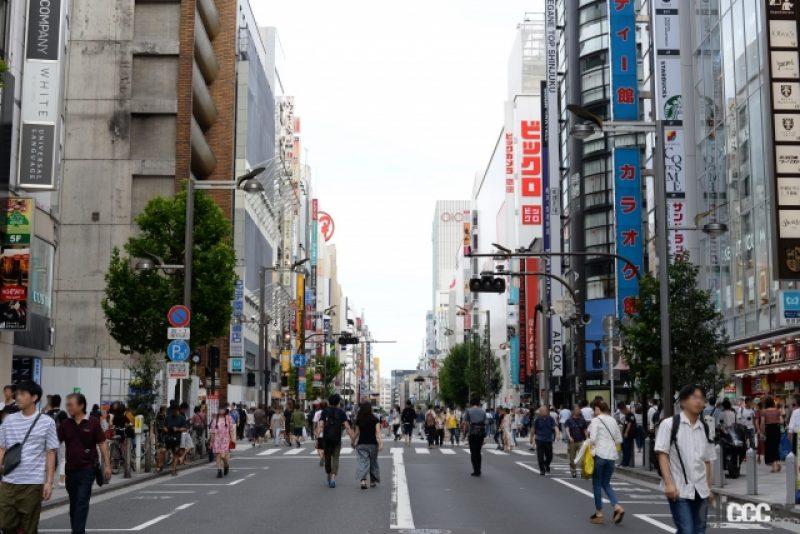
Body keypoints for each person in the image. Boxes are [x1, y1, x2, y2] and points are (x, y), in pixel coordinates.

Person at [0, 380, 59, 534]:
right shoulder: (8, 420)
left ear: (34, 397)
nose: (17, 397)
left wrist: (49, 482)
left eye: (22, 394)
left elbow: (50, 452)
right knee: (6, 525)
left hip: (32, 483)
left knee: (28, 528)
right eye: (17, 394)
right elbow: (2, 448)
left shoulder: (47, 422)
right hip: (8, 482)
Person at [656, 384, 716, 534]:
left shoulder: (705, 427)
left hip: (701, 490)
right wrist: (669, 484)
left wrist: (709, 488)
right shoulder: (669, 424)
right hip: (679, 489)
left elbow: (707, 461)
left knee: (699, 530)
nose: (699, 401)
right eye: (694, 397)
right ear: (682, 402)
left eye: (702, 398)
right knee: (687, 530)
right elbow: (662, 454)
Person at [58, 393, 112, 534]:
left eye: (71, 404)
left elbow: (102, 444)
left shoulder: (93, 422)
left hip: (87, 469)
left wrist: (107, 465)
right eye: (67, 404)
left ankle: (78, 532)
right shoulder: (65, 424)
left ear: (81, 405)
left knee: (82, 501)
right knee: (74, 503)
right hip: (71, 470)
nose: (68, 407)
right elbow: (54, 443)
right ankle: (76, 529)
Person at [586, 400, 625, 525]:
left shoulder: (596, 420)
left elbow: (592, 439)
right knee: (606, 483)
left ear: (598, 409)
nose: (593, 412)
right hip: (611, 456)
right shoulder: (613, 420)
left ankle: (599, 513)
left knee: (597, 484)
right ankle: (617, 506)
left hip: (600, 455)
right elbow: (619, 439)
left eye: (594, 409)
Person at [319, 394, 352, 488]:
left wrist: (317, 436)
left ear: (329, 402)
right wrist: (353, 438)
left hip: (326, 438)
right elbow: (347, 426)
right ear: (338, 403)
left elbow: (321, 424)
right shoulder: (341, 412)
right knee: (336, 458)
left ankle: (329, 474)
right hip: (337, 439)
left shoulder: (325, 411)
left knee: (328, 457)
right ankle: (333, 476)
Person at [352, 401, 382, 489]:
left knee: (362, 462)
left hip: (362, 444)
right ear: (370, 409)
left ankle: (363, 481)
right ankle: (373, 481)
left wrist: (353, 442)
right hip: (373, 444)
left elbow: (356, 433)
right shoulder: (375, 419)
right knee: (373, 462)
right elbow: (378, 432)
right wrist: (381, 443)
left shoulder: (359, 420)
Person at [461, 398, 486, 477]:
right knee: (478, 451)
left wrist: (464, 434)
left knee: (473, 452)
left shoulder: (468, 411)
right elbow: (486, 422)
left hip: (472, 432)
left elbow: (465, 423)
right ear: (478, 404)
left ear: (471, 404)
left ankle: (476, 470)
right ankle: (479, 469)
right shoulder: (483, 411)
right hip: (481, 433)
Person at [209, 404, 235, 478]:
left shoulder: (228, 418)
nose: (221, 411)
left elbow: (231, 430)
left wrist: (233, 439)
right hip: (217, 439)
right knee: (218, 454)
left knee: (223, 456)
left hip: (225, 439)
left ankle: (226, 465)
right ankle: (219, 471)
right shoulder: (215, 419)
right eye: (220, 409)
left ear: (225, 410)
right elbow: (213, 432)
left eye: (222, 409)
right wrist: (211, 442)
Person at [760, 396, 783, 472]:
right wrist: (776, 421)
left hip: (768, 430)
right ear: (773, 403)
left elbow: (763, 423)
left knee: (770, 447)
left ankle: (774, 466)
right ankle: (776, 465)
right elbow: (782, 421)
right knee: (775, 447)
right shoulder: (777, 411)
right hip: (776, 429)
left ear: (766, 403)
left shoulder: (764, 411)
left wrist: (762, 432)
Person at [533, 406, 559, 474]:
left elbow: (555, 427)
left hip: (548, 440)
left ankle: (546, 464)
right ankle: (542, 469)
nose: (541, 412)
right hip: (539, 439)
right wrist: (531, 438)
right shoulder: (537, 419)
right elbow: (533, 429)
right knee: (540, 456)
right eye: (541, 411)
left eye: (543, 411)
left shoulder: (550, 419)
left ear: (547, 412)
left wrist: (558, 434)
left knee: (550, 456)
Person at [164, 403, 188, 475]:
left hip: (177, 439)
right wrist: (165, 429)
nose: (174, 412)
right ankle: (161, 466)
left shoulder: (182, 418)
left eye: (175, 410)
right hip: (168, 438)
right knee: (163, 451)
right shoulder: (168, 417)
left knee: (176, 454)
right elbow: (165, 426)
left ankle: (173, 470)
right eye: (172, 411)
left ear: (178, 410)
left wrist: (177, 429)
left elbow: (185, 429)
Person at [565, 407, 588, 478]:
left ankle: (582, 472)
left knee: (582, 457)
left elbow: (585, 431)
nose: (578, 411)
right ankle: (573, 471)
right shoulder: (569, 420)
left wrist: (587, 439)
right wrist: (569, 437)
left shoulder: (583, 420)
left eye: (579, 410)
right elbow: (567, 429)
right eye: (577, 410)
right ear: (573, 411)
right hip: (572, 442)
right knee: (572, 458)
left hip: (581, 440)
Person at [619, 403, 636, 467]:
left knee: (627, 449)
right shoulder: (626, 415)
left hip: (629, 435)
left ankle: (625, 463)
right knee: (623, 448)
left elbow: (629, 424)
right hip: (625, 434)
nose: (621, 412)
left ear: (624, 409)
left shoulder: (631, 415)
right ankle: (623, 462)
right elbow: (625, 424)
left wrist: (626, 433)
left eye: (621, 411)